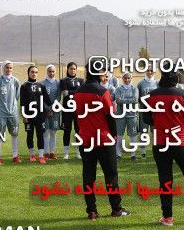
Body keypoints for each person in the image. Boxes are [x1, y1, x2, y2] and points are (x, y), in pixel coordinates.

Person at [144, 65, 184, 226]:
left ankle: (167, 217)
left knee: (165, 180)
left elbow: (146, 119)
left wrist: (160, 122)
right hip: (181, 141)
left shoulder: (151, 95)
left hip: (160, 142)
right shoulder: (182, 94)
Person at [74, 60, 131, 220]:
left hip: (86, 139)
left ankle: (92, 211)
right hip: (104, 139)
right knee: (111, 175)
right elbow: (111, 116)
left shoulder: (77, 92)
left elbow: (77, 117)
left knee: (88, 176)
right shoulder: (102, 92)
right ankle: (116, 209)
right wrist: (113, 135)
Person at [20, 66, 53, 164]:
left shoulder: (41, 86)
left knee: (40, 135)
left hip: (40, 115)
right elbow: (22, 102)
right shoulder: (24, 86)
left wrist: (50, 109)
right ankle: (31, 155)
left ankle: (41, 156)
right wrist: (24, 115)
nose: (34, 74)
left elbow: (47, 100)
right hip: (29, 115)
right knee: (30, 134)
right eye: (32, 72)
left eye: (36, 72)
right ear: (28, 73)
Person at [0, 60, 21, 165]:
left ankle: (15, 156)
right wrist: (1, 106)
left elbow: (17, 96)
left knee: (14, 134)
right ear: (3, 68)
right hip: (1, 113)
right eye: (7, 67)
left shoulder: (16, 81)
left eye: (10, 68)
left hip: (13, 113)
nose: (8, 69)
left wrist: (12, 105)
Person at [60, 62, 84, 160]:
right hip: (67, 110)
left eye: (74, 69)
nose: (73, 70)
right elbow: (64, 93)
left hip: (78, 110)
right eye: (71, 69)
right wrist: (77, 92)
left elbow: (82, 93)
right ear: (68, 69)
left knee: (78, 131)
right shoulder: (63, 80)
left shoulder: (81, 80)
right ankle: (66, 153)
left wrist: (70, 92)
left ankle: (78, 152)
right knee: (67, 131)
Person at [114, 72, 139, 161]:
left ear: (131, 79)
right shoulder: (118, 89)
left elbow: (135, 100)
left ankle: (133, 155)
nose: (127, 80)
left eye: (128, 78)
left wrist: (122, 100)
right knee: (119, 135)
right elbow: (117, 101)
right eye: (125, 78)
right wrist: (129, 100)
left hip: (132, 115)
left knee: (133, 136)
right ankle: (118, 154)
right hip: (120, 115)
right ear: (122, 79)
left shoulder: (135, 89)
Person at [137, 67, 158, 158]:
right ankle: (143, 151)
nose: (150, 72)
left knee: (155, 131)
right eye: (148, 70)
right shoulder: (141, 83)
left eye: (151, 70)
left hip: (154, 112)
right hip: (144, 111)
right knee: (144, 131)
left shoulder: (158, 83)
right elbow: (138, 98)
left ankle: (156, 150)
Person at [42, 64, 61, 160]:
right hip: (45, 111)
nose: (51, 73)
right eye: (50, 71)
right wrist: (46, 109)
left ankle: (52, 153)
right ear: (47, 72)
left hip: (55, 111)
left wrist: (53, 108)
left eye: (53, 71)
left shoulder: (58, 84)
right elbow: (41, 98)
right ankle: (46, 153)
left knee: (53, 132)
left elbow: (58, 97)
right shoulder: (42, 84)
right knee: (45, 132)